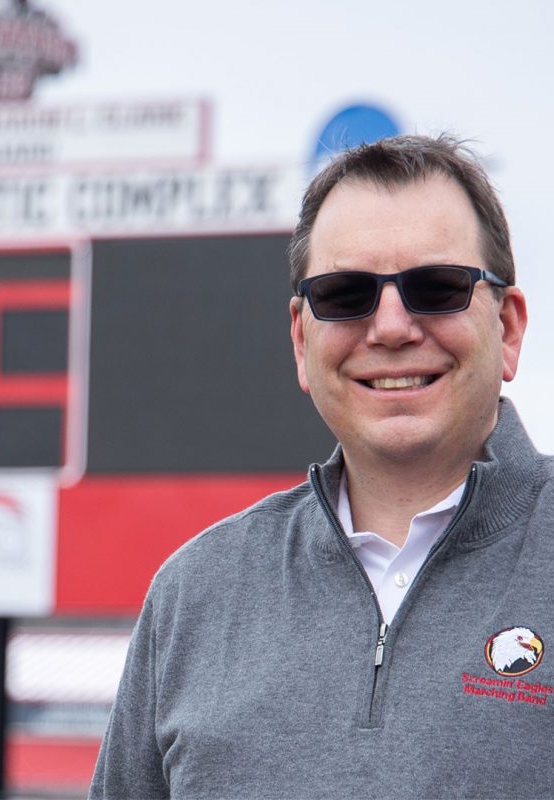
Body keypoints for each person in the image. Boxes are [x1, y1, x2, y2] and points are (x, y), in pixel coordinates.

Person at [90, 134, 554, 799]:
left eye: (437, 287)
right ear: (300, 343)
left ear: (508, 329)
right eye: (344, 294)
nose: (391, 327)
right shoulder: (195, 594)